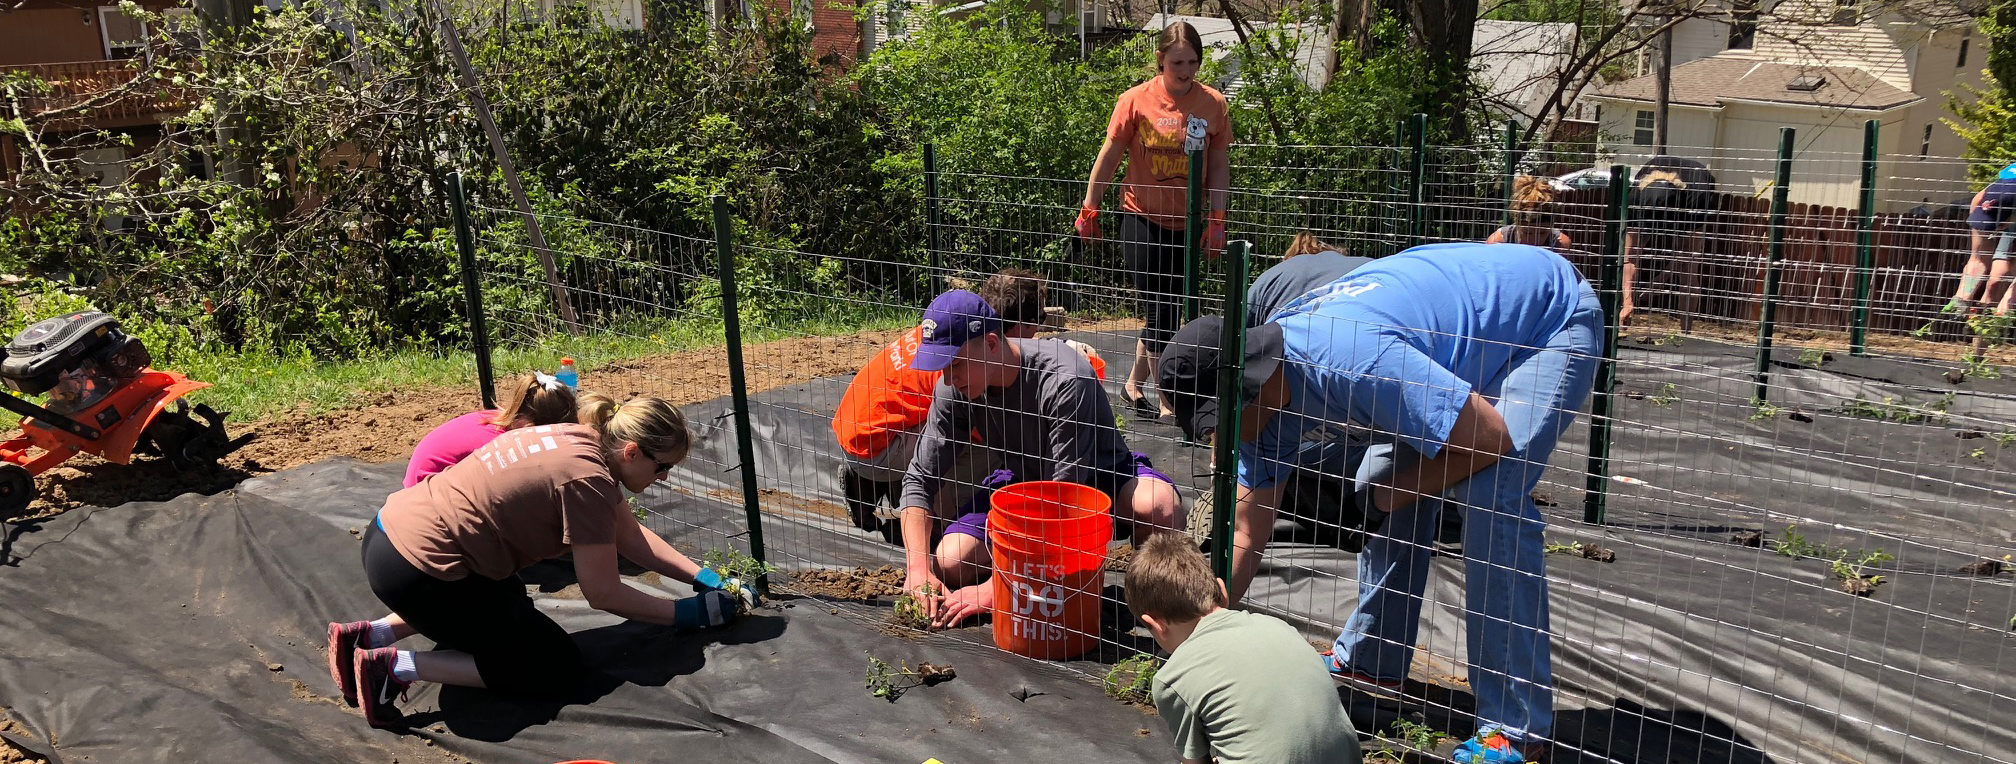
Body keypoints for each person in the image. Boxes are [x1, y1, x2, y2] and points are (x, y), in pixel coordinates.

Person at [1159, 241, 1603, 758]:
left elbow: (1491, 439)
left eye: (1223, 422)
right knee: (1381, 479)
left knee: (1490, 495)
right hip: (1453, 340)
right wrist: (1199, 636)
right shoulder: (1264, 409)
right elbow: (1243, 533)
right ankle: (1375, 660)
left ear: (1252, 384)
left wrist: (1399, 492)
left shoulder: (1352, 361)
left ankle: (1514, 728)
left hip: (1544, 317)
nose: (1223, 440)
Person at [326, 393, 744, 728]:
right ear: (632, 452)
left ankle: (369, 635)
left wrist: (701, 576)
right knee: (552, 665)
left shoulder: (578, 438)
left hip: (389, 535)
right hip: (419, 573)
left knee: (505, 605)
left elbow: (630, 539)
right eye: (663, 467)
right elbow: (602, 593)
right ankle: (394, 667)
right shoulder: (589, 479)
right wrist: (685, 615)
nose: (665, 478)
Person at [899, 289, 1183, 629]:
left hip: (1097, 477)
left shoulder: (1064, 379)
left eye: (955, 364)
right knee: (949, 559)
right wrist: (918, 570)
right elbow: (918, 480)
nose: (948, 378)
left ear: (991, 343)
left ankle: (1148, 601)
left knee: (1158, 506)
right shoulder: (955, 389)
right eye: (943, 367)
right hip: (1024, 484)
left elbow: (1065, 501)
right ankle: (1045, 581)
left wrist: (995, 590)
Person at [831, 269, 1103, 540]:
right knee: (995, 438)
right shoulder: (962, 366)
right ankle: (947, 524)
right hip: (877, 449)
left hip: (859, 430)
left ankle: (880, 487)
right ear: (1018, 326)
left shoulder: (950, 330)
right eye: (1038, 322)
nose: (1039, 330)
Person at [1076, 20, 1233, 421]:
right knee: (1160, 307)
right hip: (1140, 216)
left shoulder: (1213, 104)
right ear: (1160, 59)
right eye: (1177, 61)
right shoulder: (1134, 101)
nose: (1185, 70)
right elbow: (1110, 155)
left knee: (1169, 309)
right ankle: (1169, 398)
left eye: (1193, 62)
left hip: (1189, 221)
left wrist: (1217, 220)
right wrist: (1090, 208)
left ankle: (1132, 385)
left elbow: (1218, 166)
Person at [1124, 534, 1361, 764]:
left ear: (1156, 625)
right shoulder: (1280, 627)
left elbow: (1195, 761)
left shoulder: (1174, 678)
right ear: (1222, 591)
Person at [402, 372, 579, 488]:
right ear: (529, 426)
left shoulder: (502, 419)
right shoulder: (501, 448)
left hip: (425, 488)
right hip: (426, 497)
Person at [1622, 156, 1716, 328]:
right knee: (1628, 254)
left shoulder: (1696, 200)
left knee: (1689, 270)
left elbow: (1685, 257)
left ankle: (1685, 331)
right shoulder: (1635, 200)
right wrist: (1628, 300)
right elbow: (1628, 257)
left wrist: (1660, 279)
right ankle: (1624, 317)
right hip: (1651, 203)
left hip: (1689, 201)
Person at [1946, 168, 2016, 333]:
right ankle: (1972, 331)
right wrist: (1960, 302)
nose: (1992, 230)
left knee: (2009, 295)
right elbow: (1978, 259)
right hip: (2008, 208)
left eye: (1996, 225)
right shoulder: (1981, 199)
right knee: (1996, 282)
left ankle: (1994, 327)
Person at [1486, 177, 1571, 251]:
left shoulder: (1561, 244)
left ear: (1551, 225)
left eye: (1542, 233)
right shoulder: (1497, 242)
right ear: (1517, 223)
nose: (1534, 241)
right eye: (1527, 233)